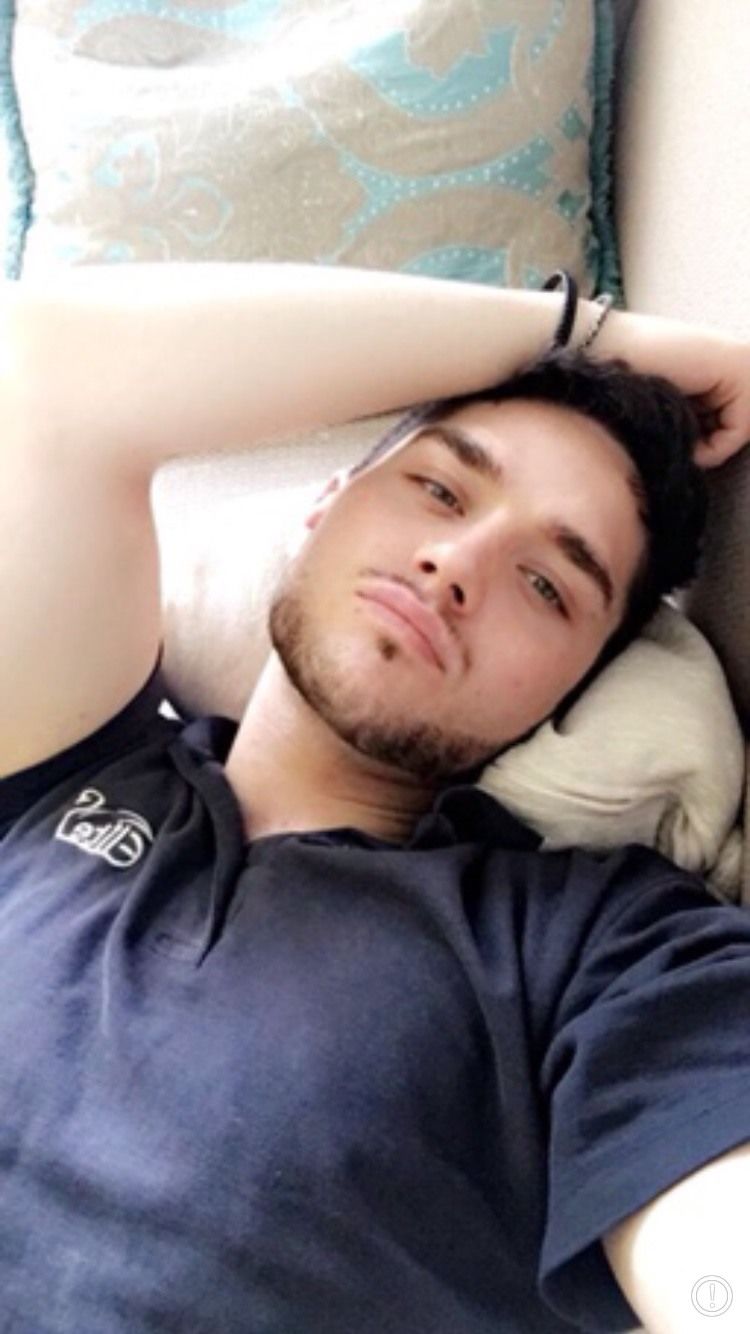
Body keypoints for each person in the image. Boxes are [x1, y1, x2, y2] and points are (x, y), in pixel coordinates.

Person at [1, 262, 750, 1334]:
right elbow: (49, 363)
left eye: (548, 585)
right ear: (322, 506)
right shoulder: (66, 750)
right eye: (439, 489)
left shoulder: (599, 948)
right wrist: (589, 333)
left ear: (569, 690)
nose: (457, 562)